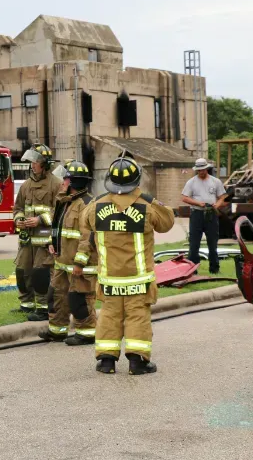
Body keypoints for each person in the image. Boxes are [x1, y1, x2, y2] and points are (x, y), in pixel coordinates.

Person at [77, 154, 175, 375]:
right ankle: (137, 361)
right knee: (137, 316)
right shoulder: (147, 206)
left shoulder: (96, 205)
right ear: (136, 181)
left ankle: (106, 361)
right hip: (138, 279)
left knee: (109, 316)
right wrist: (148, 199)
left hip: (109, 278)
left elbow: (83, 221)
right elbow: (167, 222)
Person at [41, 160, 98, 345]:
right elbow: (58, 227)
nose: (62, 183)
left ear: (73, 182)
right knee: (55, 295)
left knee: (79, 298)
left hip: (79, 265)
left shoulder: (86, 205)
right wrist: (52, 242)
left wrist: (80, 263)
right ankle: (57, 330)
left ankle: (87, 333)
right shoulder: (65, 202)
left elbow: (87, 237)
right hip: (62, 262)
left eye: (65, 179)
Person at [13, 143, 63, 320]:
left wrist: (40, 220)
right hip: (27, 239)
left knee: (40, 273)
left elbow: (59, 211)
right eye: (31, 161)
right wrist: (19, 220)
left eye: (36, 161)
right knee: (22, 271)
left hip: (44, 239)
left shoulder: (56, 185)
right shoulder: (25, 185)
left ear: (45, 164)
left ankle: (42, 308)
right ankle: (26, 304)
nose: (32, 164)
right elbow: (17, 207)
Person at [181, 158, 227, 274]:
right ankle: (192, 270)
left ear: (207, 168)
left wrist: (217, 205)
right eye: (199, 170)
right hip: (197, 214)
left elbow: (222, 197)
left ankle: (214, 268)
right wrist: (198, 203)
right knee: (194, 243)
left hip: (211, 214)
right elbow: (184, 197)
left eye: (203, 169)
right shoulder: (191, 182)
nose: (201, 172)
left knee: (212, 242)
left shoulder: (215, 181)